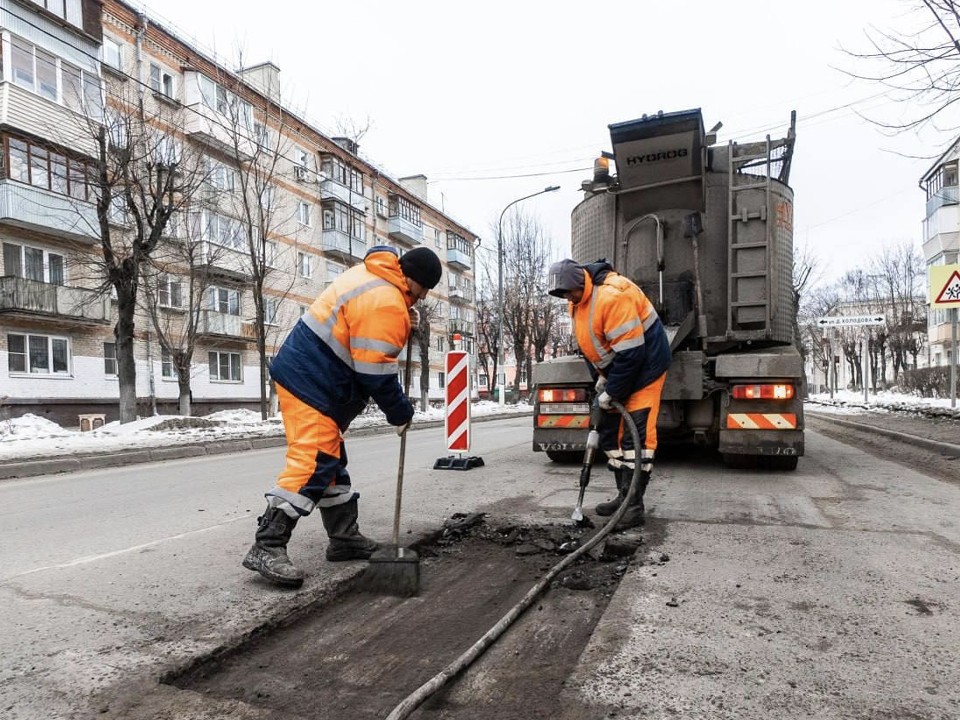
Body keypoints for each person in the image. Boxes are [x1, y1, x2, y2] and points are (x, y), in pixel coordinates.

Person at [243, 245, 442, 588]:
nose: (421, 301)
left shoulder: (373, 277)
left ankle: (344, 538)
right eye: (423, 293)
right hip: (312, 381)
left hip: (311, 375)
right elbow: (375, 372)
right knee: (315, 458)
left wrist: (402, 317)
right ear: (416, 283)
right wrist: (401, 412)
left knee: (331, 460)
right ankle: (267, 544)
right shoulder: (387, 302)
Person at [547, 258, 671, 529]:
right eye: (563, 294)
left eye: (569, 291)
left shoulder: (613, 297)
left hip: (645, 368)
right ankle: (623, 496)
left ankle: (634, 506)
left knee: (634, 437)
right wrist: (601, 379)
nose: (567, 297)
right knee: (609, 436)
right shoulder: (578, 302)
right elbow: (593, 346)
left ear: (581, 282)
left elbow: (632, 354)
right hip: (619, 371)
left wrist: (613, 389)